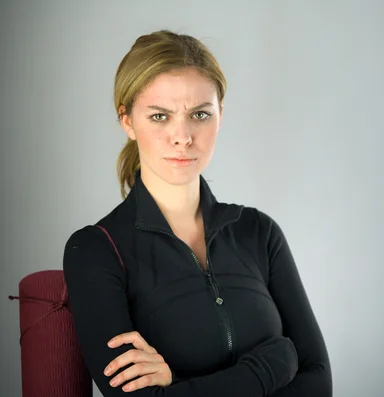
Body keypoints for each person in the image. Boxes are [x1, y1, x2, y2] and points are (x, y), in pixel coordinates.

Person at [63, 29, 332, 396]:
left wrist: (178, 386)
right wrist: (273, 365)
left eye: (200, 114)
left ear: (220, 115)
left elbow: (317, 382)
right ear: (127, 121)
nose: (183, 136)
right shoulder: (95, 250)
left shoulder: (258, 232)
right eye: (160, 117)